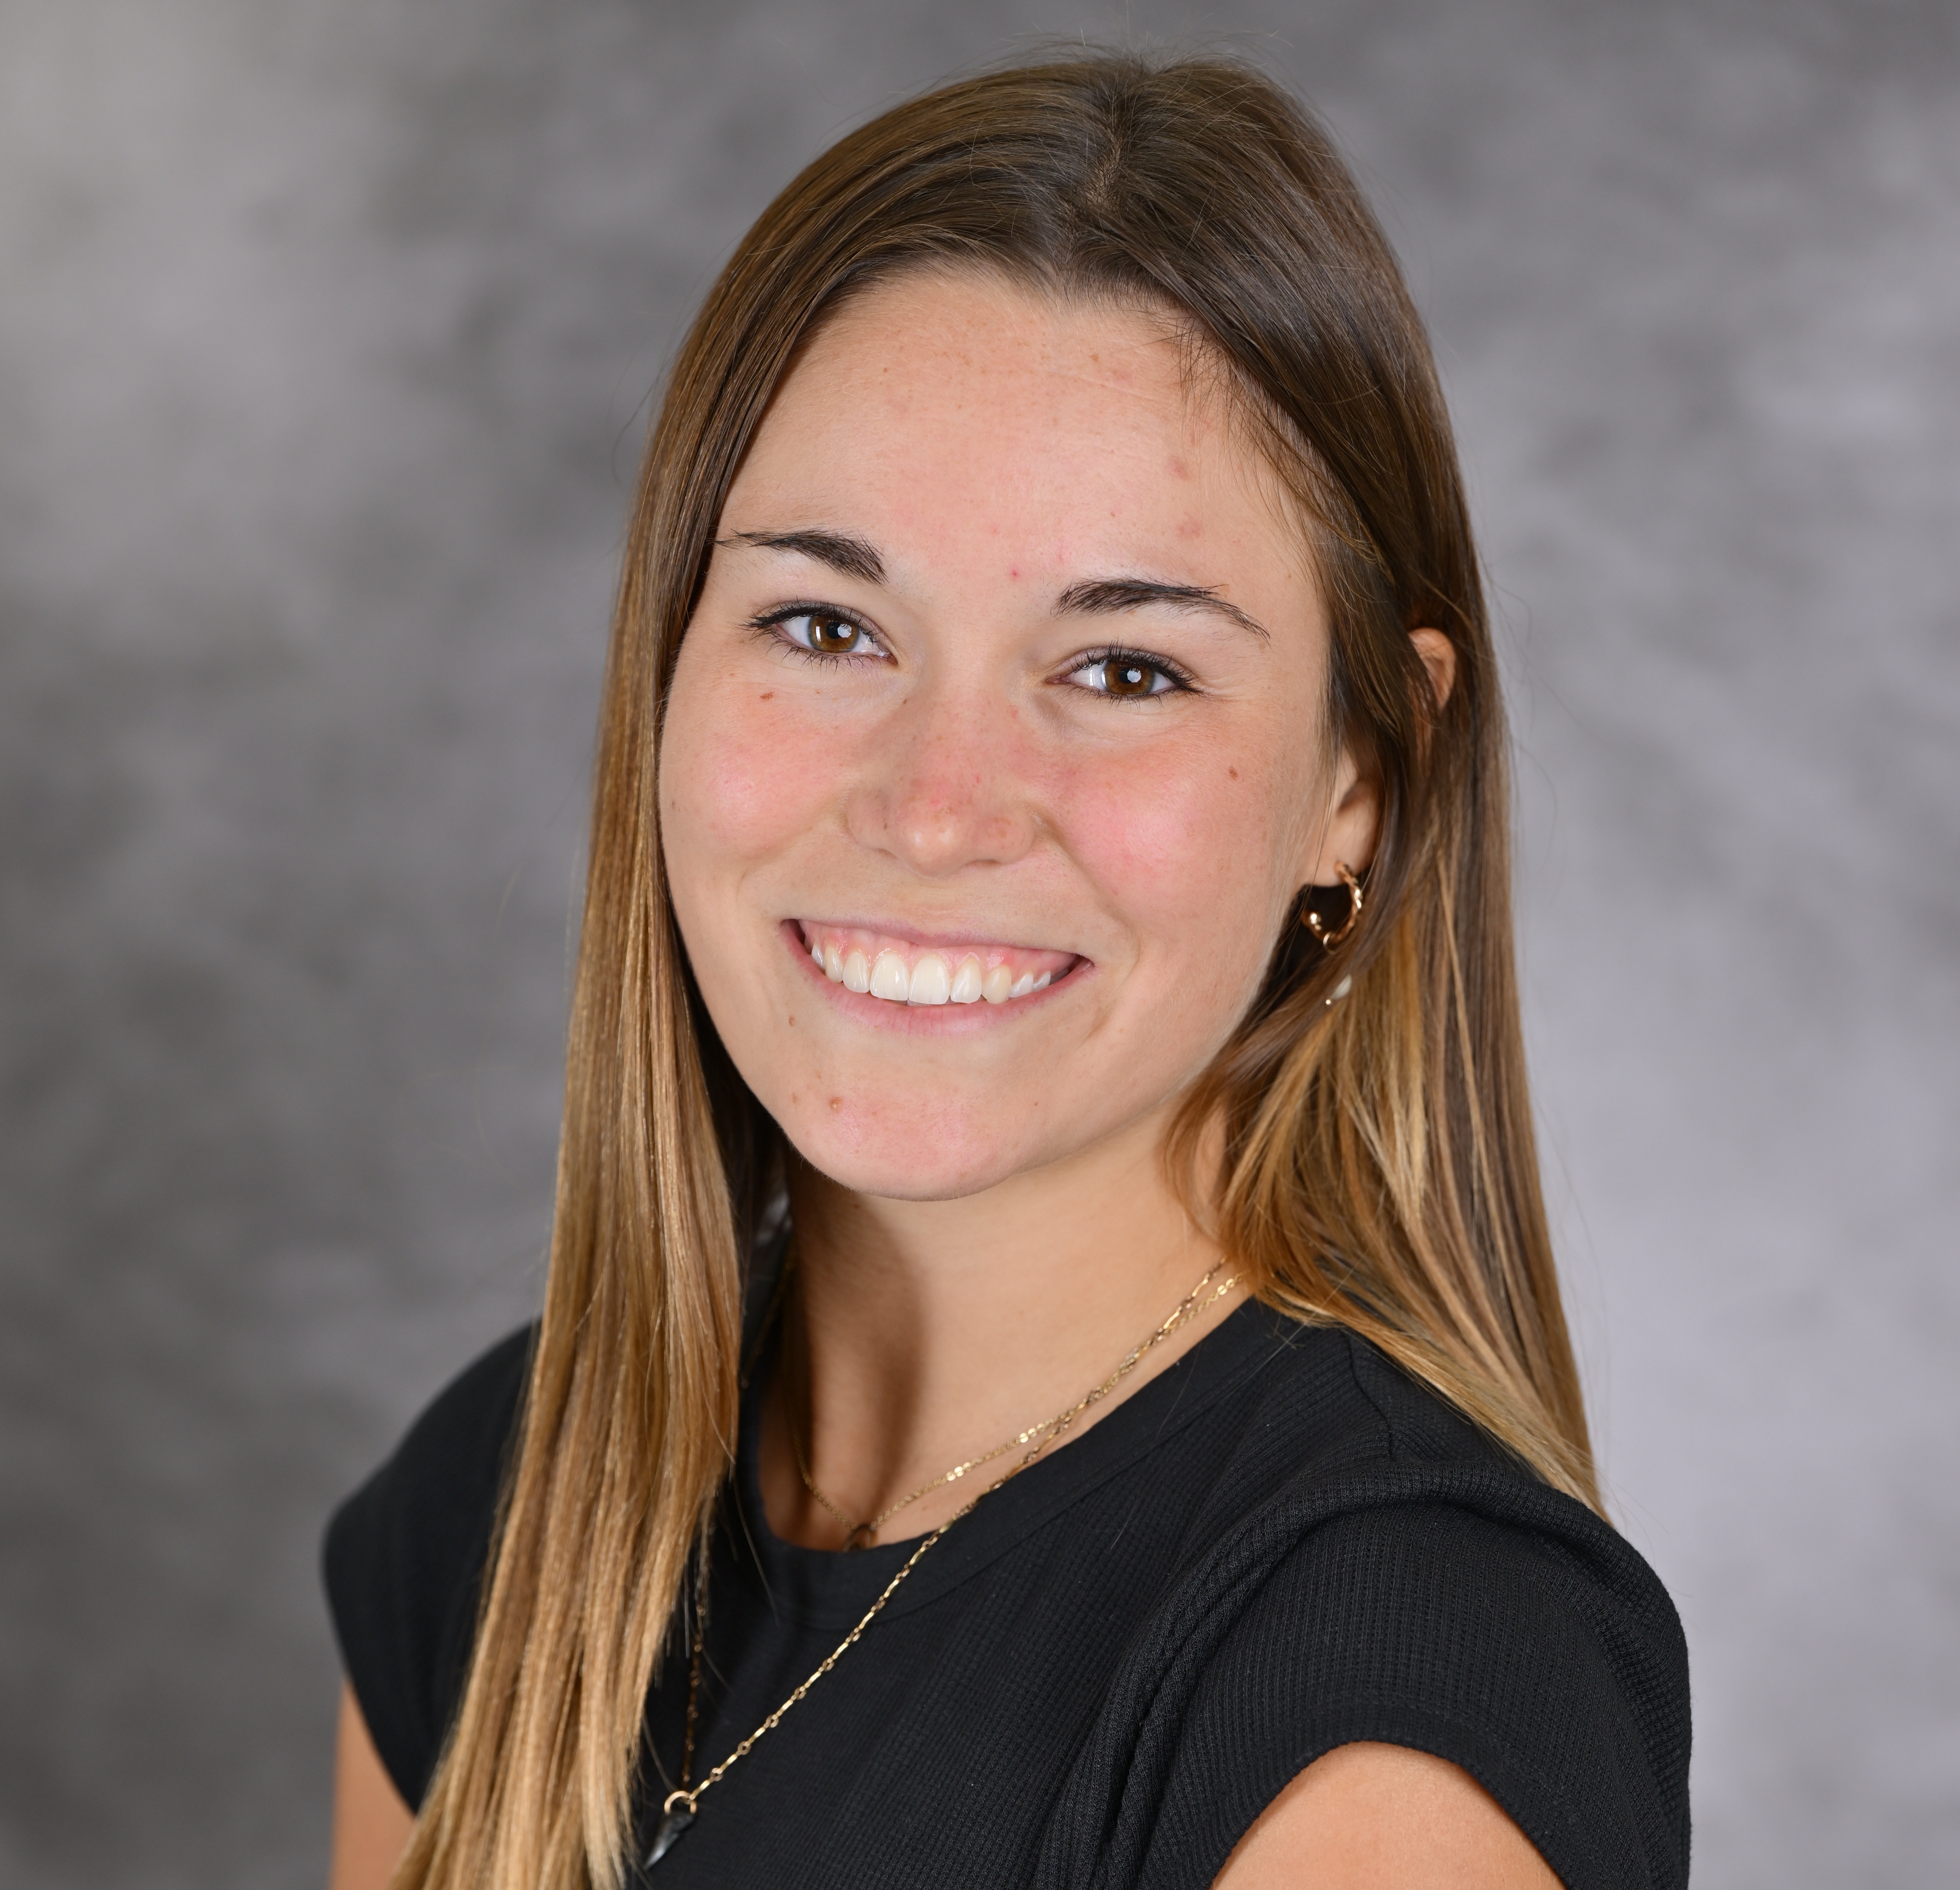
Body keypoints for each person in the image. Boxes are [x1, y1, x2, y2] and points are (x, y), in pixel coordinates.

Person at [323, 51, 1689, 1890]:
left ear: (1361, 783)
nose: (940, 808)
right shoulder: (498, 1510)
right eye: (826, 625)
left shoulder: (1398, 1676)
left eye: (1124, 668)